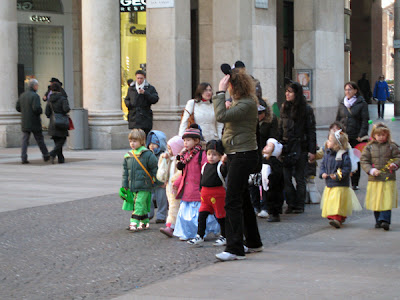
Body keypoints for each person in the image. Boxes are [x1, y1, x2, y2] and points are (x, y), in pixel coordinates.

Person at [213, 66, 263, 261]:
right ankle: (253, 242)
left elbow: (220, 117)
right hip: (238, 153)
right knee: (242, 200)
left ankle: (234, 248)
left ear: (233, 86)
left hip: (242, 155)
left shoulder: (246, 104)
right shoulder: (243, 102)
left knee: (232, 201)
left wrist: (219, 92)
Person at [173, 124, 220, 241]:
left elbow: (206, 170)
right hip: (187, 190)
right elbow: (184, 173)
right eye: (184, 140)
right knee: (184, 215)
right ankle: (187, 232)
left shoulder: (201, 155)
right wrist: (178, 182)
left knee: (199, 214)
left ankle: (199, 232)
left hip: (198, 190)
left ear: (196, 141)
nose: (185, 143)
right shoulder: (185, 156)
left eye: (188, 140)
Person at [279, 82, 316, 214]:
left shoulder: (306, 109)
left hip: (301, 146)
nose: (287, 94)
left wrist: (312, 150)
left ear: (297, 93)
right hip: (286, 146)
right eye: (286, 91)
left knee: (300, 177)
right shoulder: (284, 107)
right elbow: (280, 127)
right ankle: (290, 202)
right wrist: (278, 144)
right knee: (286, 177)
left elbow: (311, 130)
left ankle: (299, 204)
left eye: (290, 92)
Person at [360, 123, 400, 231]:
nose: (381, 137)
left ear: (387, 135)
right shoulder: (369, 147)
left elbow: (398, 157)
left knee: (386, 199)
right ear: (374, 135)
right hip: (375, 179)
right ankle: (378, 219)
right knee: (376, 200)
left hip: (388, 177)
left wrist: (395, 164)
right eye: (379, 135)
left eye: (383, 135)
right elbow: (364, 160)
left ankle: (385, 220)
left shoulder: (392, 146)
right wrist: (371, 170)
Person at [187, 140, 227, 246]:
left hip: (218, 195)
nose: (211, 157)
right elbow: (202, 179)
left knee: (221, 216)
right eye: (209, 154)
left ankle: (225, 235)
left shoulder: (220, 166)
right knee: (202, 216)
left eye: (215, 155)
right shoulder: (205, 166)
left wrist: (224, 162)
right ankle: (199, 235)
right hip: (205, 196)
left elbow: (224, 172)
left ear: (220, 156)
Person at [320, 130, 361, 228]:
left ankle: (337, 218)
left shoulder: (343, 155)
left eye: (330, 140)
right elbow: (323, 165)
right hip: (330, 183)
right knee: (331, 201)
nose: (327, 142)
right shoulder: (327, 154)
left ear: (336, 144)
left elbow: (347, 168)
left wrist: (339, 175)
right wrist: (322, 173)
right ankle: (336, 217)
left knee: (337, 202)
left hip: (340, 184)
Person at [121, 129, 158, 231]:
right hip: (133, 185)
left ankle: (134, 222)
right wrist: (125, 185)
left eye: (135, 141)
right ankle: (145, 222)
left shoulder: (147, 154)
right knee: (139, 203)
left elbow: (155, 169)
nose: (132, 143)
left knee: (139, 203)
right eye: (130, 141)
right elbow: (125, 173)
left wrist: (159, 182)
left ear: (142, 141)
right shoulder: (128, 155)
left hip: (145, 185)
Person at [336, 81, 369, 190]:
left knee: (354, 158)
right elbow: (338, 119)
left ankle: (355, 182)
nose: (347, 91)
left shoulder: (361, 103)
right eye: (346, 89)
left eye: (350, 89)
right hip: (344, 135)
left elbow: (365, 121)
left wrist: (361, 134)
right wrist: (336, 132)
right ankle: (342, 178)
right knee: (341, 157)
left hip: (356, 136)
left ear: (355, 90)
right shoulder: (342, 103)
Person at [16, 79, 50, 164]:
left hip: (25, 121)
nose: (37, 87)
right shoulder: (35, 96)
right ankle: (46, 155)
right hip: (34, 121)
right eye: (37, 85)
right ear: (34, 86)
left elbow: (17, 107)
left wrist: (25, 111)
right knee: (39, 139)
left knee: (25, 140)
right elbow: (36, 108)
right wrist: (40, 111)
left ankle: (23, 157)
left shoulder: (22, 95)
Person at [158, 136, 185, 237]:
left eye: (170, 148)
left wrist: (175, 182)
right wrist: (163, 158)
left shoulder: (180, 160)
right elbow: (162, 168)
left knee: (174, 206)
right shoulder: (171, 159)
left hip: (175, 187)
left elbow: (180, 173)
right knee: (172, 205)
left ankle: (170, 226)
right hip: (169, 187)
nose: (169, 151)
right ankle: (177, 225)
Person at [124, 70, 159, 135]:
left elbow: (155, 99)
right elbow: (127, 99)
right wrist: (129, 104)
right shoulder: (131, 88)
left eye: (141, 78)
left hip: (145, 117)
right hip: (134, 117)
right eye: (138, 78)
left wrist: (145, 93)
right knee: (135, 136)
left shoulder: (149, 88)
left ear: (144, 78)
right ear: (136, 78)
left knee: (144, 135)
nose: (139, 80)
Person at [45, 82, 71, 164]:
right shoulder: (63, 98)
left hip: (53, 122)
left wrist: (52, 116)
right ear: (59, 89)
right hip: (62, 121)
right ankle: (52, 153)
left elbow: (47, 113)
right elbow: (66, 109)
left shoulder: (49, 100)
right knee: (62, 139)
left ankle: (61, 158)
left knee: (57, 140)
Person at [146, 130, 168, 223]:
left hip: (161, 182)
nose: (151, 146)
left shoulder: (164, 155)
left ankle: (161, 216)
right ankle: (148, 214)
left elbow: (167, 169)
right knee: (149, 199)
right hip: (150, 181)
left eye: (154, 144)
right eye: (150, 143)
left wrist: (165, 180)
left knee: (162, 199)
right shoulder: (147, 155)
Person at [261, 138, 284, 222]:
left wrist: (271, 180)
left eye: (270, 146)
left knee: (274, 198)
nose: (266, 147)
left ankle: (274, 214)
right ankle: (270, 212)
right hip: (265, 184)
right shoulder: (264, 160)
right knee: (267, 197)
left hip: (273, 185)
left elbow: (277, 174)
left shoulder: (274, 162)